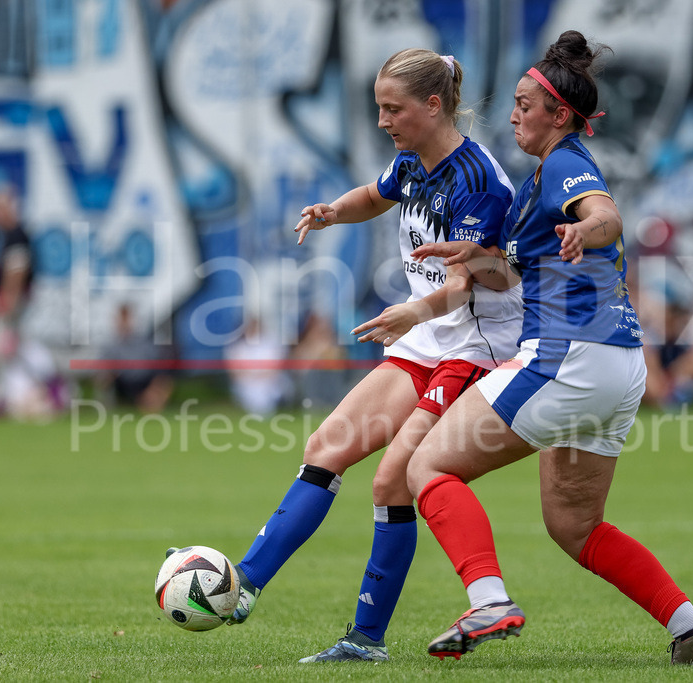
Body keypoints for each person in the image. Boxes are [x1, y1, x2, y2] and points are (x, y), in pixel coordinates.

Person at [406, 31, 693, 665]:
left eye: (526, 103)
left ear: (560, 115)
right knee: (574, 525)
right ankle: (691, 627)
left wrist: (588, 226)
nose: (515, 113)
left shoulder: (566, 164)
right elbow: (511, 274)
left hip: (567, 357)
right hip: (619, 367)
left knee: (428, 467)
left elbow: (607, 215)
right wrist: (475, 257)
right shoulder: (535, 188)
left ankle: (489, 599)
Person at [220, 48, 521, 664]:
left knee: (392, 480)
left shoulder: (479, 182)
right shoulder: (414, 159)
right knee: (326, 448)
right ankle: (241, 585)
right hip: (425, 339)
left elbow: (471, 280)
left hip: (473, 347)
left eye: (394, 109)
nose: (383, 120)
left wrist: (413, 312)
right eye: (379, 108)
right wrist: (334, 213)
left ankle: (366, 640)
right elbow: (375, 194)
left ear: (433, 106)